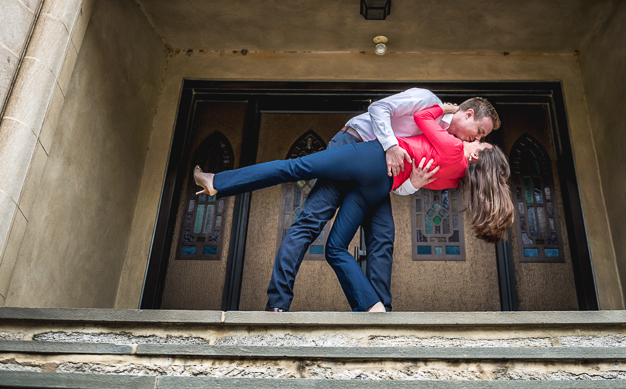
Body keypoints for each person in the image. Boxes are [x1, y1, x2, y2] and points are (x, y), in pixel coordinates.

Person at [194, 102, 513, 313]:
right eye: (482, 135)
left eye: (481, 141)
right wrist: (414, 180)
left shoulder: (454, 146)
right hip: (380, 185)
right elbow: (407, 180)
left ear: (475, 156)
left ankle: (219, 182)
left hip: (369, 160)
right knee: (336, 247)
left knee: (294, 168)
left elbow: (421, 117)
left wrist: (442, 109)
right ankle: (373, 307)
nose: (477, 139)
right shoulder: (452, 180)